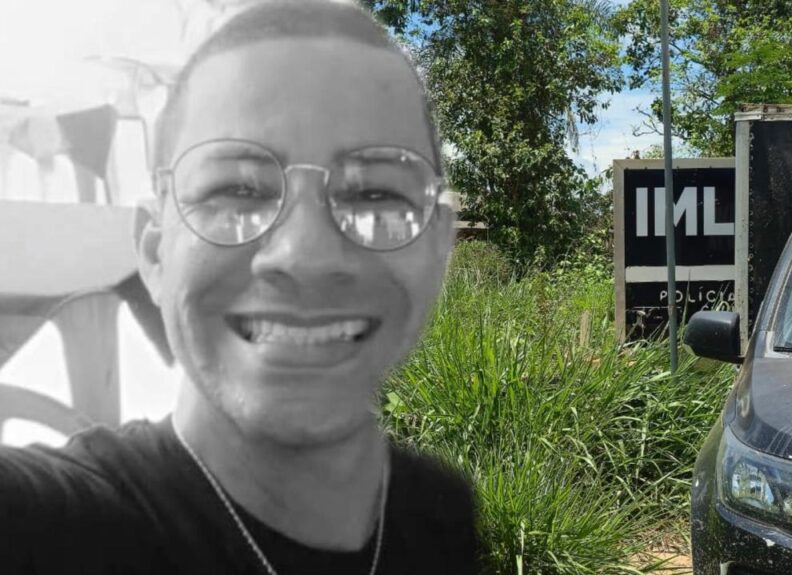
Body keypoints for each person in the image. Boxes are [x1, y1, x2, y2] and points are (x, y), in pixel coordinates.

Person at [0, 1, 478, 573]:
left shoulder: (444, 514)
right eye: (237, 192)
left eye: (375, 195)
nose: (304, 258)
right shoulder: (58, 526)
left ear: (439, 246)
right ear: (154, 251)